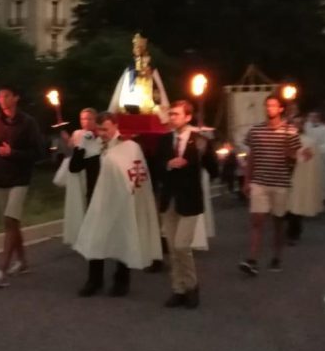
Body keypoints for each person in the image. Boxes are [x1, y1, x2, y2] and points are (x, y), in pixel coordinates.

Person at [73, 112, 162, 297]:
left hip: (121, 200)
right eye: (99, 129)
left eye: (106, 128)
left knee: (123, 235)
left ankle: (122, 280)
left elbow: (137, 174)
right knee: (95, 237)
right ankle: (94, 281)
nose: (103, 133)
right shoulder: (92, 143)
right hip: (98, 200)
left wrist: (131, 193)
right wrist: (80, 146)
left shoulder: (129, 147)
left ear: (115, 125)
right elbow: (75, 167)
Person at [149, 101, 218, 309]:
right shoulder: (163, 141)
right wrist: (168, 164)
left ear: (188, 117)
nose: (172, 117)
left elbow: (213, 170)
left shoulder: (198, 141)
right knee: (172, 247)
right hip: (169, 200)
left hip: (189, 200)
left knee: (182, 245)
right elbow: (155, 169)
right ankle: (178, 289)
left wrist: (205, 152)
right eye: (171, 114)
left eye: (176, 114)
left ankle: (192, 286)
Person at [0, 85, 42, 287]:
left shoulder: (28, 123)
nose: (2, 99)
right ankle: (23, 262)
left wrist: (14, 153)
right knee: (12, 223)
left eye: (6, 95)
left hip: (20, 179)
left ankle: (2, 270)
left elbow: (37, 152)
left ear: (16, 98)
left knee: (10, 220)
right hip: (0, 179)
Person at [239, 94, 301, 276]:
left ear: (281, 109)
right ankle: (252, 259)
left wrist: (289, 152)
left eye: (273, 106)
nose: (269, 109)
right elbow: (251, 157)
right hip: (260, 181)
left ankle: (277, 256)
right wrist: (246, 180)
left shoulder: (290, 131)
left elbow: (295, 157)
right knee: (257, 220)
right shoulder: (256, 131)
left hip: (280, 182)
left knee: (278, 222)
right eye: (267, 106)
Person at [54, 107, 100, 247]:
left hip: (93, 172)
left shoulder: (99, 134)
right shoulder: (77, 133)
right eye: (83, 119)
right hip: (79, 172)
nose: (85, 122)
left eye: (89, 119)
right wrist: (66, 140)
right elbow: (71, 151)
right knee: (82, 202)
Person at [286, 115, 325, 244]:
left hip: (299, 177)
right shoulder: (283, 140)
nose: (295, 126)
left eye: (298, 123)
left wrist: (295, 156)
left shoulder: (309, 142)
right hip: (284, 177)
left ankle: (294, 233)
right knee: (285, 207)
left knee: (296, 206)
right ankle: (287, 230)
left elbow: (307, 159)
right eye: (293, 123)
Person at [305, 111, 325, 202]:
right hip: (308, 156)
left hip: (320, 157)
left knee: (322, 177)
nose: (313, 119)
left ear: (319, 118)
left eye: (315, 117)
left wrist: (317, 150)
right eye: (311, 116)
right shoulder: (305, 126)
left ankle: (324, 197)